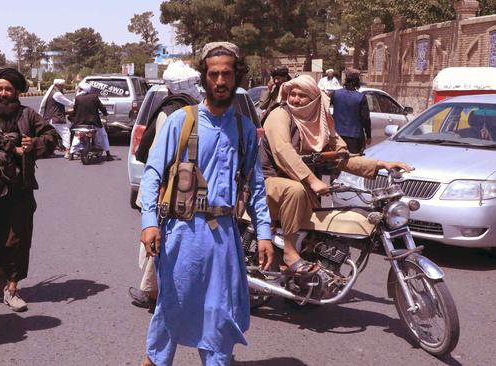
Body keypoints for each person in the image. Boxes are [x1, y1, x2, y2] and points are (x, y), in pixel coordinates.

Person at [139, 41, 274, 366]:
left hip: (225, 237)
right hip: (182, 234)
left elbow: (254, 184)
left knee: (220, 310)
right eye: (213, 74)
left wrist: (265, 232)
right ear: (205, 78)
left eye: (227, 74)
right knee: (173, 305)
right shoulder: (180, 122)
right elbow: (153, 172)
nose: (220, 81)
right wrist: (149, 222)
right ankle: (155, 361)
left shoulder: (244, 130)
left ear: (237, 76)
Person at [260, 75, 413, 276]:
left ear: (314, 99)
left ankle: (318, 264)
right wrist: (313, 181)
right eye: (293, 94)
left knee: (329, 219)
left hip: (303, 186)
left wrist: (381, 164)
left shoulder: (322, 122)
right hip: (267, 182)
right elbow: (283, 151)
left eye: (302, 96)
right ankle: (289, 251)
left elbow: (343, 157)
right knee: (295, 190)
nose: (295, 99)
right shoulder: (280, 114)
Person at [0, 68, 59, 312]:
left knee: (17, 238)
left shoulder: (28, 115)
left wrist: (33, 144)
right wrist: (12, 145)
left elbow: (52, 137)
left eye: (8, 89)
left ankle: (12, 287)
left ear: (17, 91)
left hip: (19, 188)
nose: (3, 93)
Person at [128, 60, 201, 309]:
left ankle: (153, 291)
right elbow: (159, 158)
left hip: (181, 188)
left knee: (166, 239)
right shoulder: (171, 113)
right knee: (159, 235)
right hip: (168, 187)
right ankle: (153, 290)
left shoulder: (188, 109)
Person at [69, 82, 114, 161]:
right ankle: (108, 154)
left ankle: (71, 154)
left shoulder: (78, 98)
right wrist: (105, 114)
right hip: (94, 123)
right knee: (103, 135)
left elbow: (75, 110)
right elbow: (101, 107)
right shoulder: (94, 97)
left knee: (76, 136)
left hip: (80, 123)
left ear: (81, 89)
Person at [330, 69, 371, 153]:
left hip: (337, 136)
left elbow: (325, 108)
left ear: (346, 80)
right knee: (354, 161)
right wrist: (368, 135)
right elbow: (365, 119)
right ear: (357, 81)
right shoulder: (361, 97)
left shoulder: (335, 94)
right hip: (355, 137)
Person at [40, 79, 73, 153]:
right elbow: (67, 102)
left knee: (52, 135)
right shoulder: (57, 94)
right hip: (56, 118)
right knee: (66, 133)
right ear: (58, 85)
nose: (63, 87)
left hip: (50, 118)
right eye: (62, 86)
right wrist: (77, 104)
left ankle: (50, 151)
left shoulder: (52, 92)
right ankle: (68, 151)